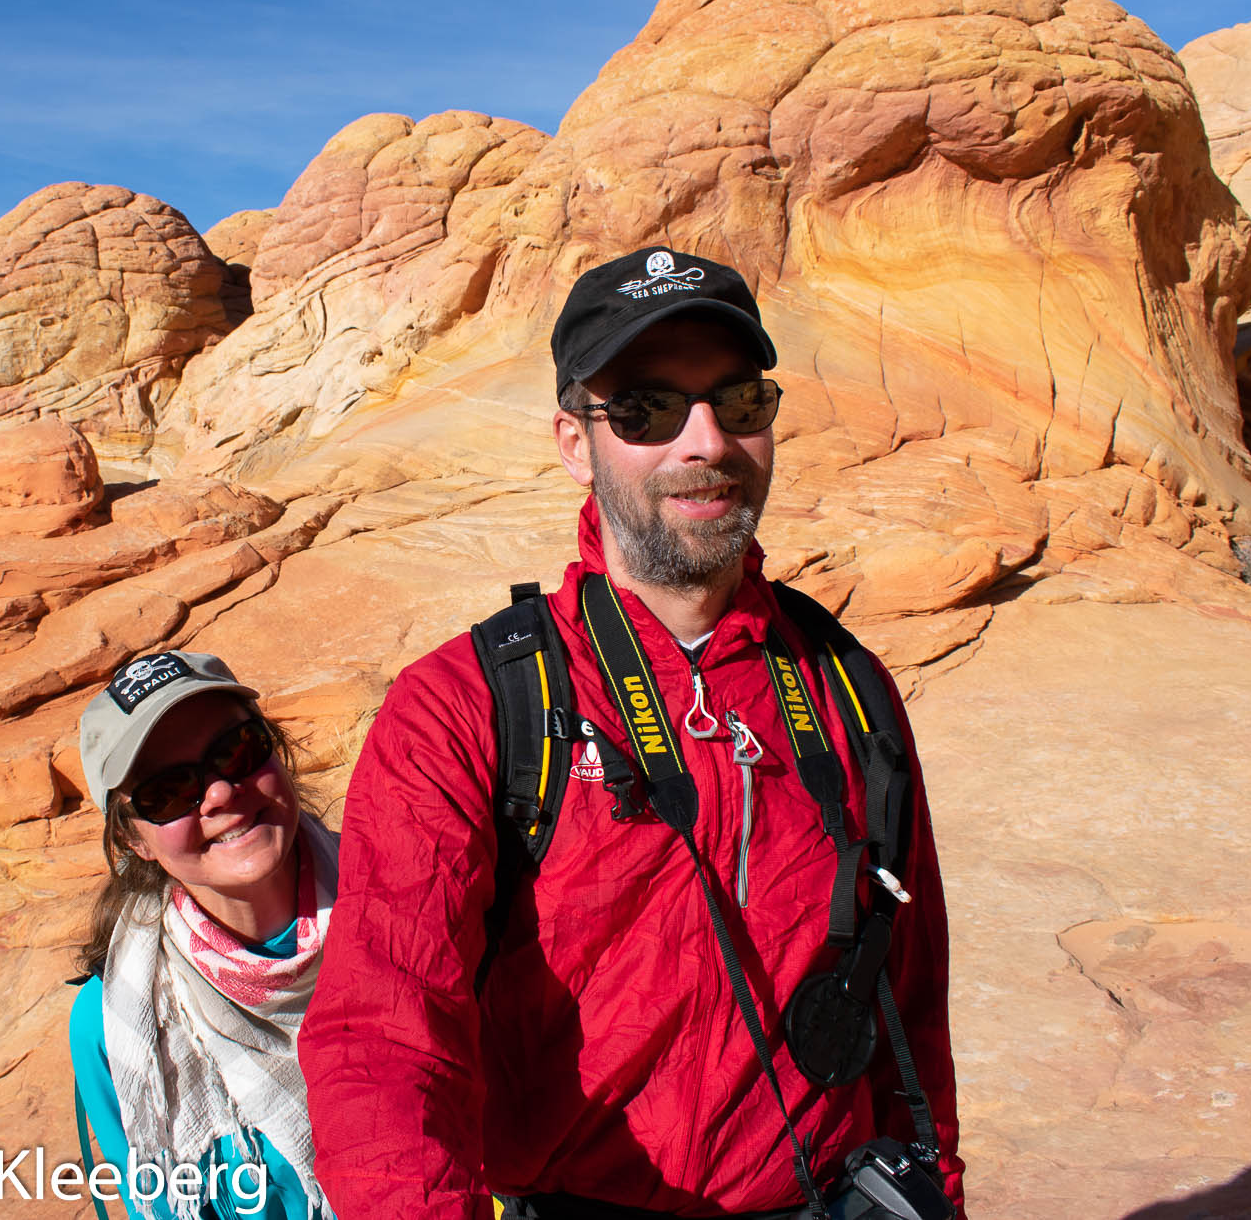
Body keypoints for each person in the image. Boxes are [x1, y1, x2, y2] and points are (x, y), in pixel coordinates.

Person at [299, 249, 963, 1218]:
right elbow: (384, 1035)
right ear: (575, 443)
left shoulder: (843, 687)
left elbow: (909, 995)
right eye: (645, 410)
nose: (704, 442)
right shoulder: (466, 706)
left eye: (736, 402)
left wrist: (936, 1189)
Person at [71, 650, 336, 1220]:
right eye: (167, 791)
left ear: (277, 753)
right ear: (136, 841)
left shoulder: (413, 902)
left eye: (236, 751)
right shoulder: (112, 1022)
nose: (218, 793)